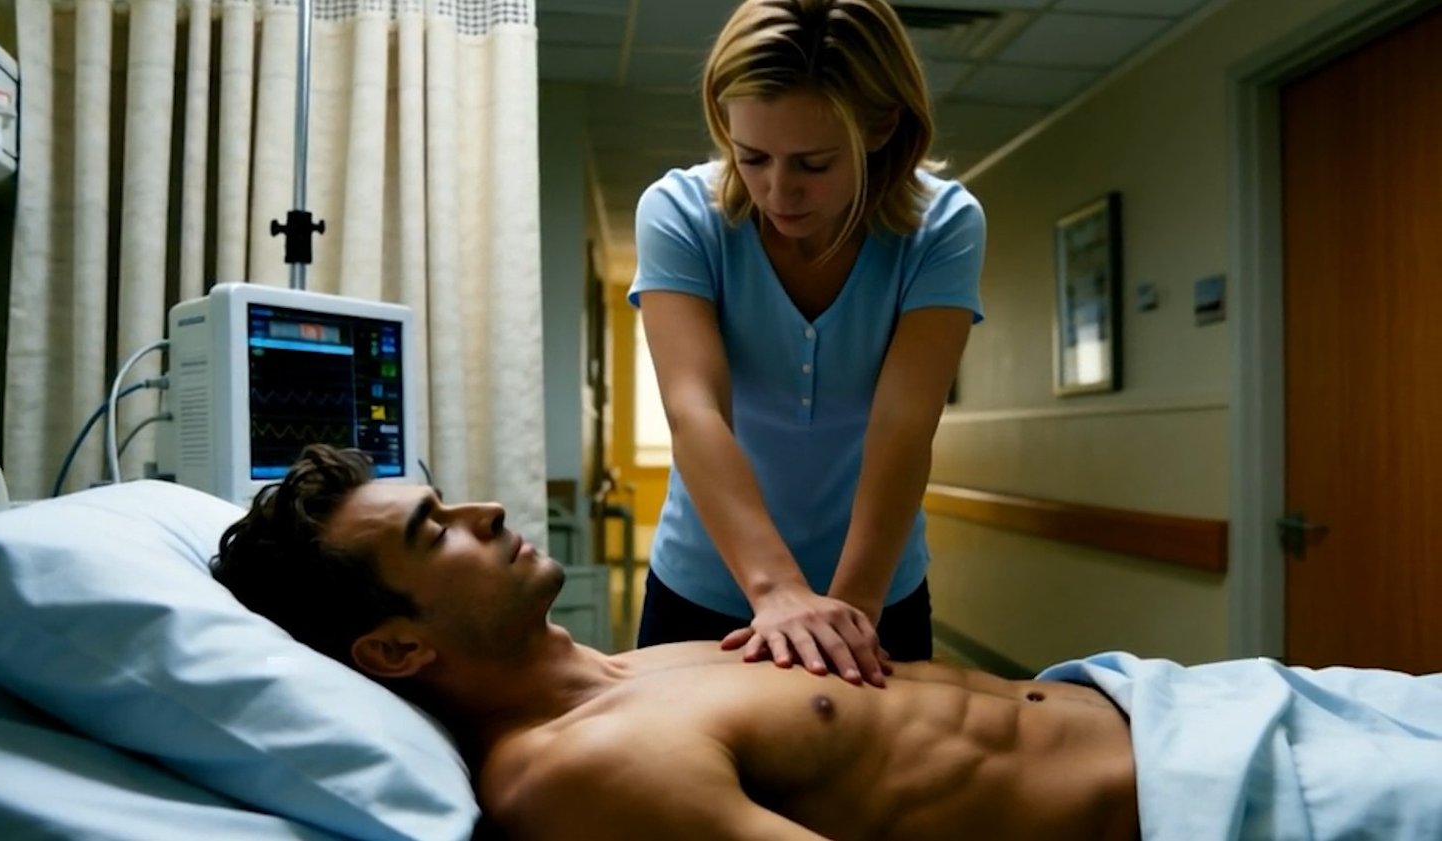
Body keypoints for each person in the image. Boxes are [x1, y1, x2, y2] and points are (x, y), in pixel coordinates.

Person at [212, 446, 1442, 840]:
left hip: (1181, 703)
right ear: (395, 650)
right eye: (433, 530)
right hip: (1211, 805)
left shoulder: (630, 668)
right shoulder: (575, 770)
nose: (482, 511)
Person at [628, 0, 985, 684]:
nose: (777, 190)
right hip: (704, 585)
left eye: (813, 163)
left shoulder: (943, 226)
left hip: (878, 585)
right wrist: (775, 590)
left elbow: (905, 423)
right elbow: (695, 409)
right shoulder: (679, 214)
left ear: (881, 127)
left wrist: (851, 615)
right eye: (752, 156)